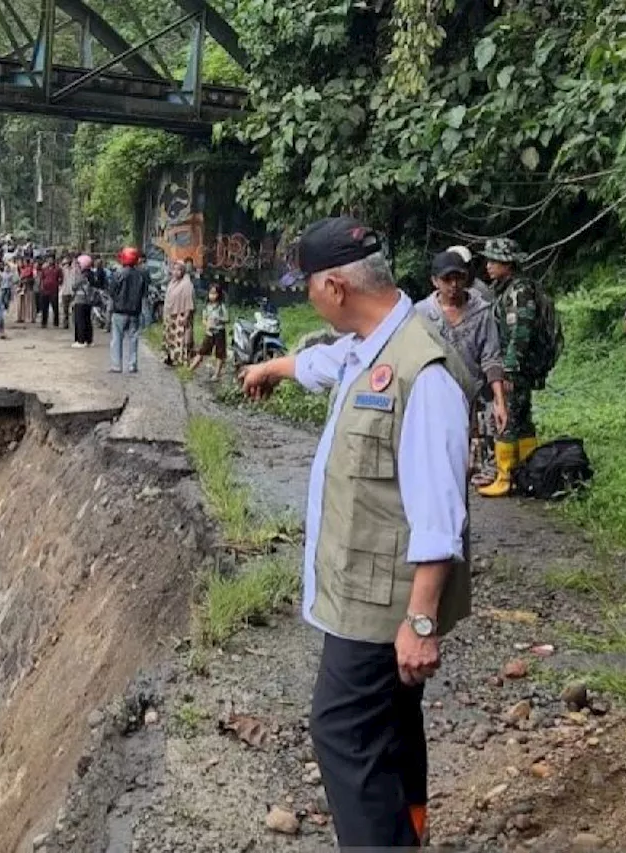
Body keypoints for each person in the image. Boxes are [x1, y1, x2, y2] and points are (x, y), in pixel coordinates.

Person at [239, 217, 471, 850]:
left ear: (335, 287)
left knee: (342, 731)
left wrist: (419, 624)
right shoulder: (373, 343)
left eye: (308, 287)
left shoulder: (422, 374)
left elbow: (440, 513)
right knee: (392, 726)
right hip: (368, 596)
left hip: (382, 608)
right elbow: (326, 363)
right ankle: (409, 831)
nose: (305, 297)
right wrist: (275, 368)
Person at [416, 250, 509, 481]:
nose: (454, 285)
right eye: (447, 279)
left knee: (471, 466)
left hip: (473, 393)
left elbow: (491, 356)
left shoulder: (482, 311)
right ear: (435, 281)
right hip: (435, 394)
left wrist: (499, 401)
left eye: (458, 277)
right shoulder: (421, 314)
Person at [476, 237, 541, 497]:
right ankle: (527, 473)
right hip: (516, 366)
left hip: (514, 367)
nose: (489, 265)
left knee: (506, 420)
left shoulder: (517, 291)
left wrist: (509, 371)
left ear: (509, 263)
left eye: (495, 260)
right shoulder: (508, 288)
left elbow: (520, 333)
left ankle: (505, 477)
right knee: (522, 420)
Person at [108, 247, 147, 374]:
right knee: (133, 338)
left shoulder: (118, 274)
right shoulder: (140, 275)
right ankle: (132, 365)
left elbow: (111, 291)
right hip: (135, 312)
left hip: (119, 311)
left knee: (116, 338)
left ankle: (116, 366)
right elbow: (143, 293)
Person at [188, 283, 228, 381]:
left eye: (214, 294)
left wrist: (218, 319)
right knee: (202, 350)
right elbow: (204, 319)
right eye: (211, 293)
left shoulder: (221, 306)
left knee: (220, 354)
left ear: (218, 295)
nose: (212, 296)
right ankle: (190, 369)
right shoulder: (207, 306)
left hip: (219, 332)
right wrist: (207, 324)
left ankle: (217, 374)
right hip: (209, 333)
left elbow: (227, 319)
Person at [162, 261, 196, 367]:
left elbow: (188, 302)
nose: (176, 272)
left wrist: (186, 317)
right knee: (170, 338)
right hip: (171, 315)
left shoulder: (187, 284)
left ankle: (181, 359)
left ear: (183, 271)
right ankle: (170, 357)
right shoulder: (172, 282)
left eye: (179, 270)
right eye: (174, 269)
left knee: (180, 339)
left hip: (181, 316)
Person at [72, 254, 95, 348]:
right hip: (88, 300)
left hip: (80, 299)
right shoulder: (91, 274)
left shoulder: (82, 275)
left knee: (79, 320)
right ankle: (88, 340)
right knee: (87, 320)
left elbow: (74, 286)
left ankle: (81, 340)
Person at [38, 256, 62, 329]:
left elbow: (61, 278)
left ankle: (56, 323)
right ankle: (44, 323)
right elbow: (41, 278)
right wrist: (41, 286)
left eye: (51, 259)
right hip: (44, 291)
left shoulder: (58, 269)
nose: (50, 261)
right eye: (49, 259)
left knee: (55, 307)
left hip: (54, 290)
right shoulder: (44, 269)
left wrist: (58, 284)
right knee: (44, 307)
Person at [60, 254, 81, 331]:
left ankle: (75, 323)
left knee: (74, 309)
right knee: (65, 309)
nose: (67, 263)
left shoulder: (75, 269)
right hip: (65, 291)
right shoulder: (62, 270)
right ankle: (65, 324)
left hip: (73, 291)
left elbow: (78, 275)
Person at [16, 254, 36, 324]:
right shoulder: (20, 269)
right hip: (21, 287)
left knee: (29, 303)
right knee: (21, 303)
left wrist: (24, 281)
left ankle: (30, 318)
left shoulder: (30, 269)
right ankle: (21, 317)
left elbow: (33, 278)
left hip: (28, 287)